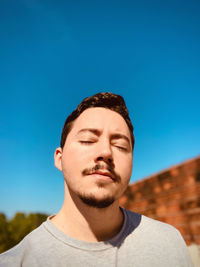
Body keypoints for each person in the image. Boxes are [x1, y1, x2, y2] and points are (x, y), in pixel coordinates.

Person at [0, 92, 193, 267]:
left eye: (120, 145)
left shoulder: (169, 244)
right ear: (59, 158)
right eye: (87, 140)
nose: (106, 152)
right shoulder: (16, 262)